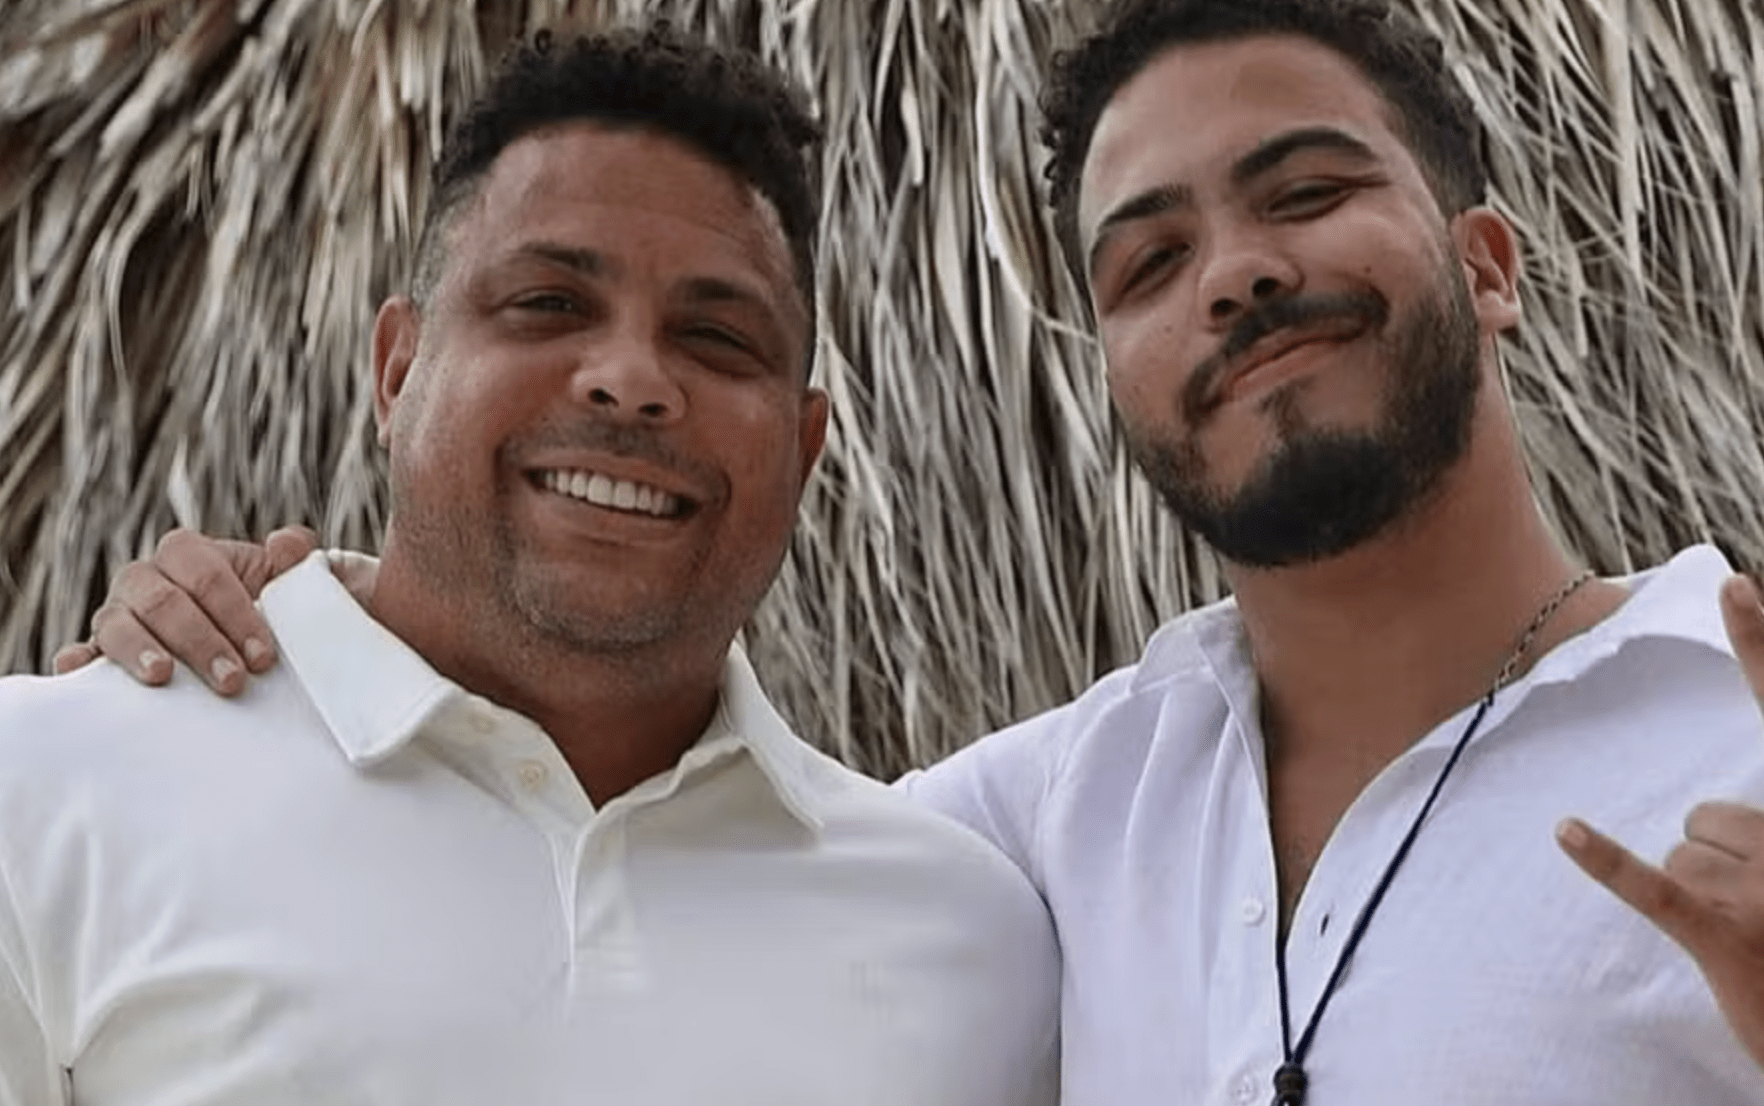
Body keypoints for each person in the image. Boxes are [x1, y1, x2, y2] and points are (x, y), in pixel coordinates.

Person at [56, 0, 1764, 1102]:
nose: (1234, 275)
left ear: (1485, 264)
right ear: (1112, 367)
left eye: (1305, 193)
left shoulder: (1738, 728)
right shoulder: (1034, 828)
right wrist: (302, 635)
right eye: (1146, 262)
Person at [0, 23, 1061, 1106]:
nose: (631, 379)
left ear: (803, 449)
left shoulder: (971, 945)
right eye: (549, 304)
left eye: (717, 338)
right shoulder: (48, 788)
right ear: (397, 371)